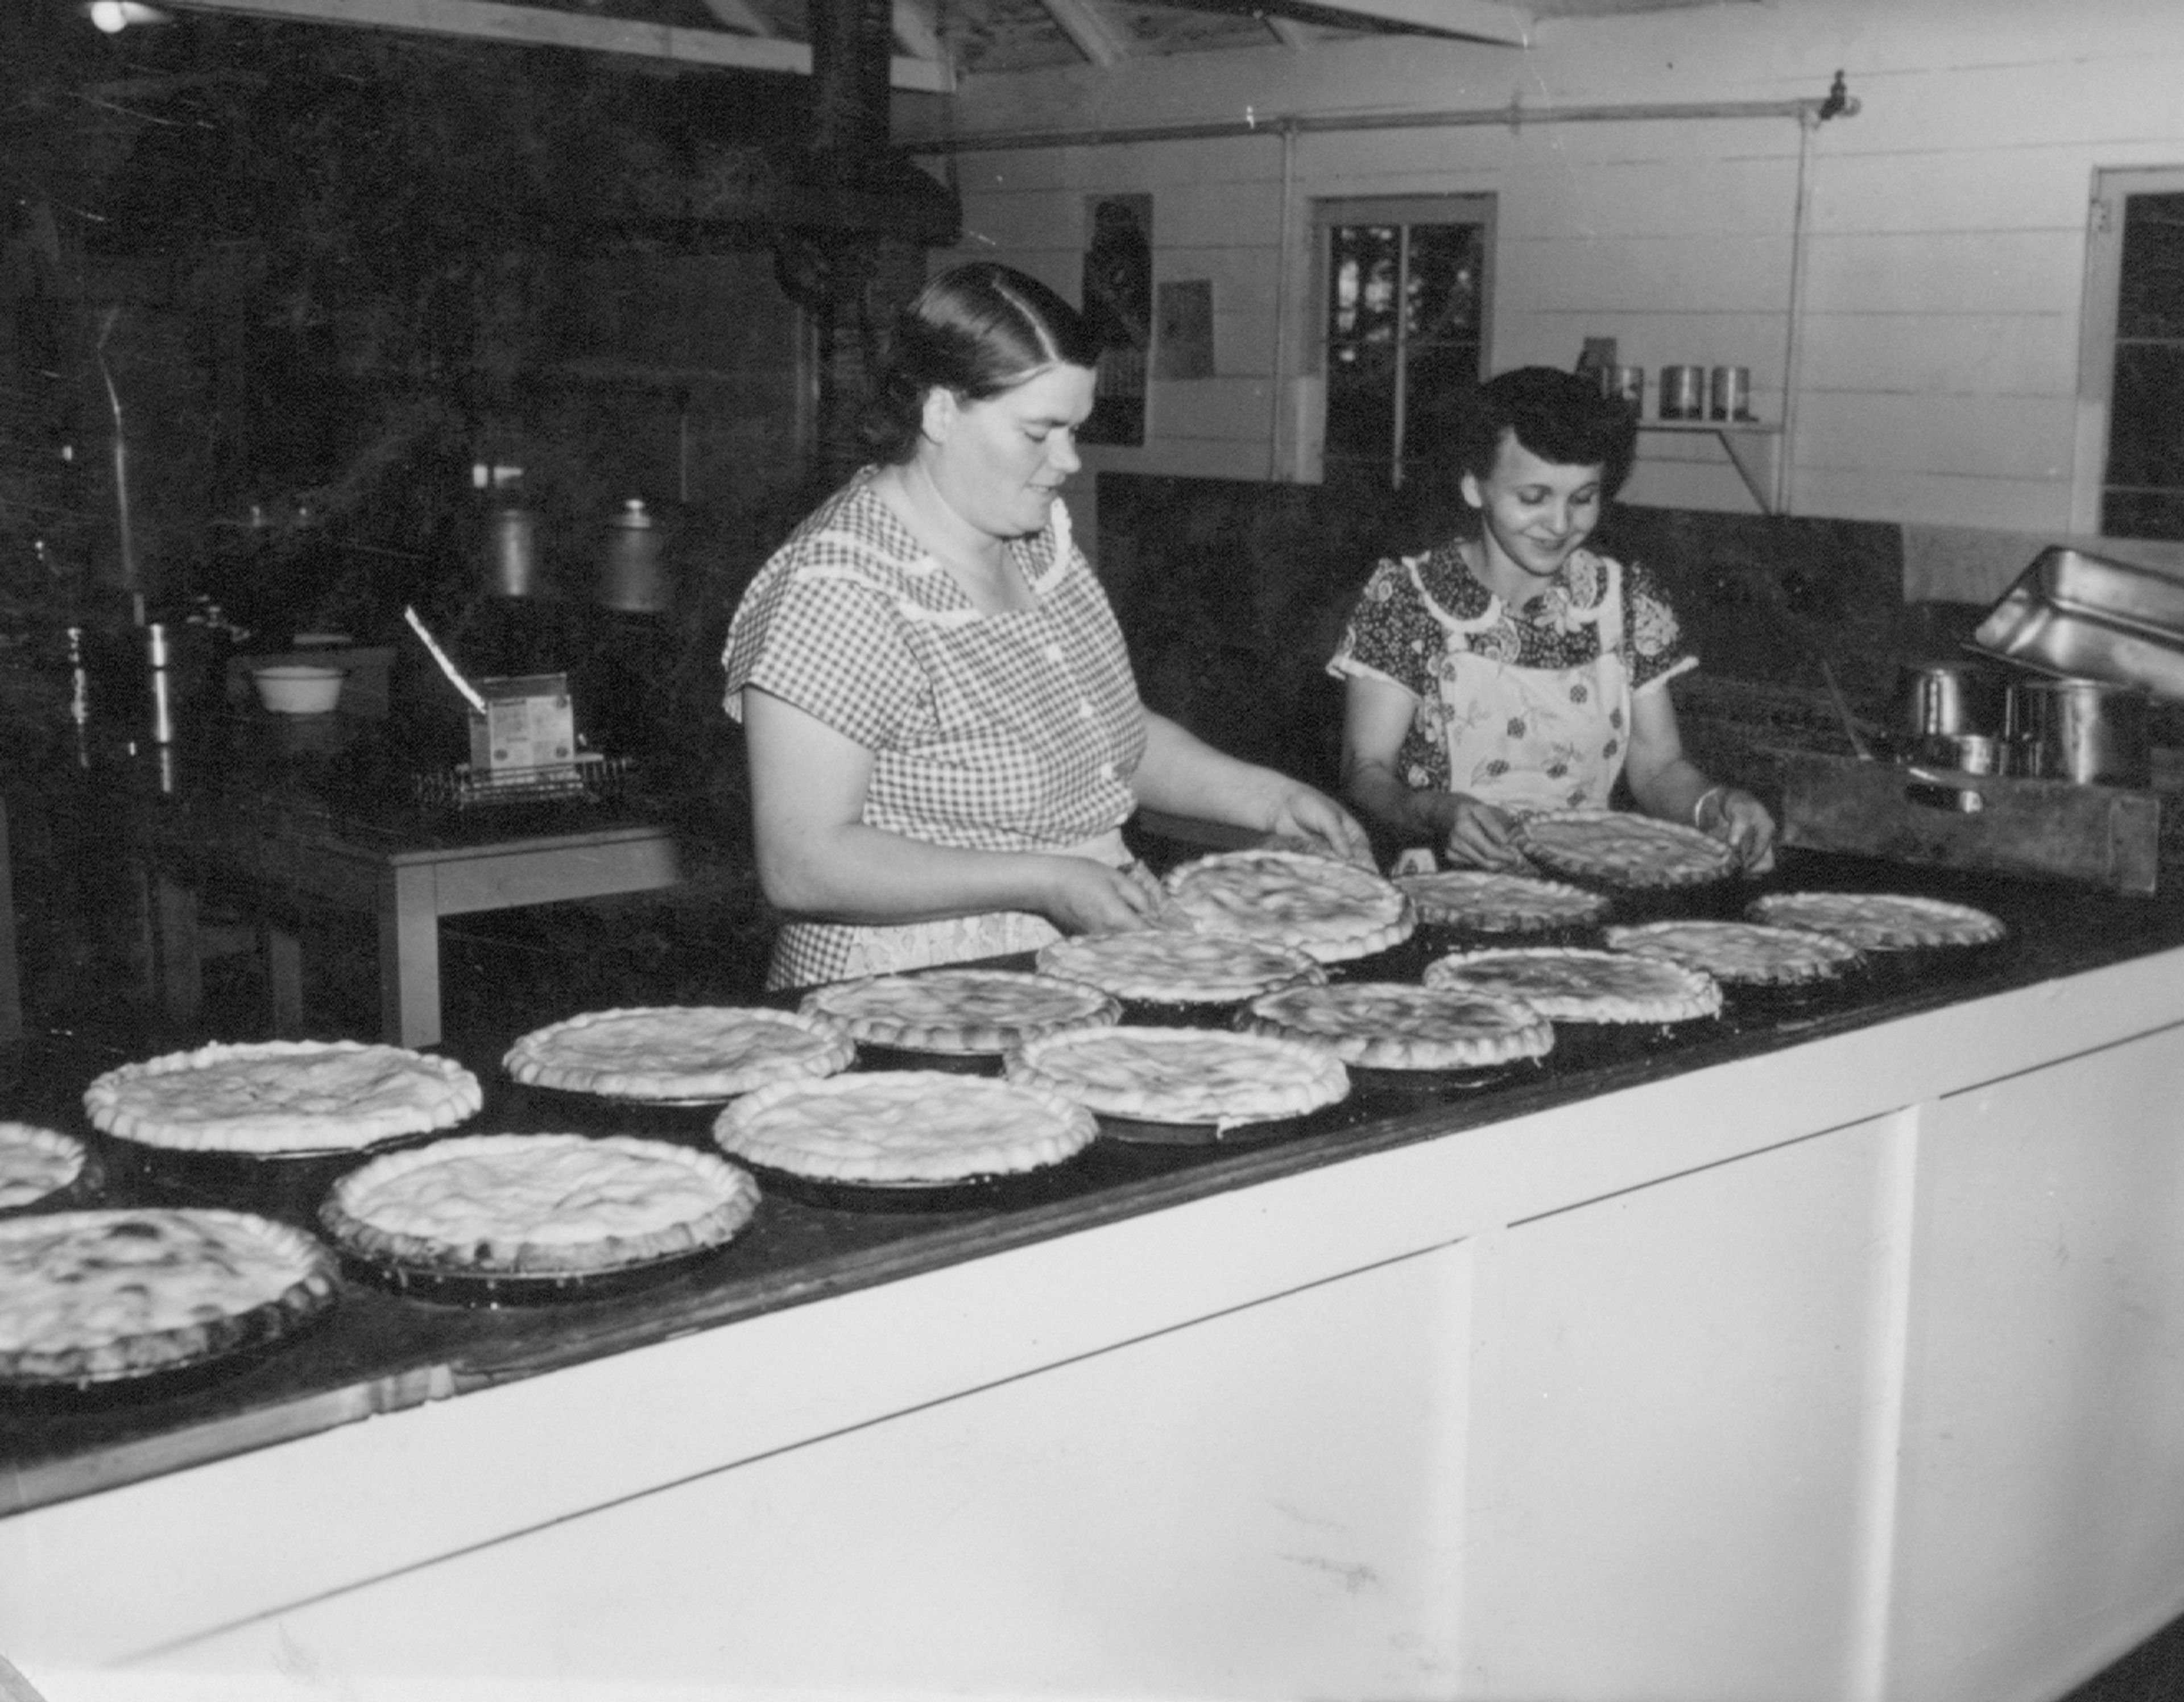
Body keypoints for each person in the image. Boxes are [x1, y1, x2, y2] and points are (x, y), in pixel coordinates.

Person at [724, 262, 1372, 990]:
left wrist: (1269, 797)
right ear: (940, 413)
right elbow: (803, 862)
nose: (1067, 461)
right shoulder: (840, 588)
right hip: (906, 988)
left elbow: (1106, 741)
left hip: (1066, 964)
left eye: (1076, 430)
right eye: (1040, 431)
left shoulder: (1036, 543)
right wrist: (1047, 881)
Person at [1329, 364, 1776, 873]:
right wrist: (1437, 811)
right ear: (1475, 488)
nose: (1562, 525)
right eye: (1534, 498)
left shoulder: (1626, 600)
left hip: (1587, 881)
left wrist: (1716, 804)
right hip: (1441, 881)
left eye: (1583, 499)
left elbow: (1657, 771)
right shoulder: (1407, 600)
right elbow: (1366, 773)